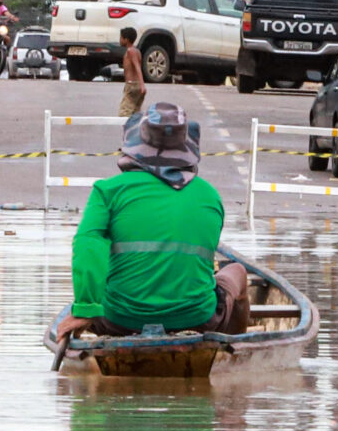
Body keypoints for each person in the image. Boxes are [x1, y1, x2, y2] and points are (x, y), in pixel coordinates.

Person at [55, 102, 250, 341]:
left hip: (119, 320)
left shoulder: (107, 191)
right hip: (197, 319)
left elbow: (87, 245)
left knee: (104, 270)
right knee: (237, 271)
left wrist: (85, 309)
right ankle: (237, 347)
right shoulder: (210, 196)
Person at [117, 25, 146, 119]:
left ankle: (128, 132)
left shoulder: (130, 51)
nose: (120, 40)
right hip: (136, 85)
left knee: (124, 114)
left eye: (121, 38)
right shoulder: (137, 51)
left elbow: (137, 67)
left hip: (132, 85)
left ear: (126, 39)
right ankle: (135, 132)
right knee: (135, 113)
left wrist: (142, 84)